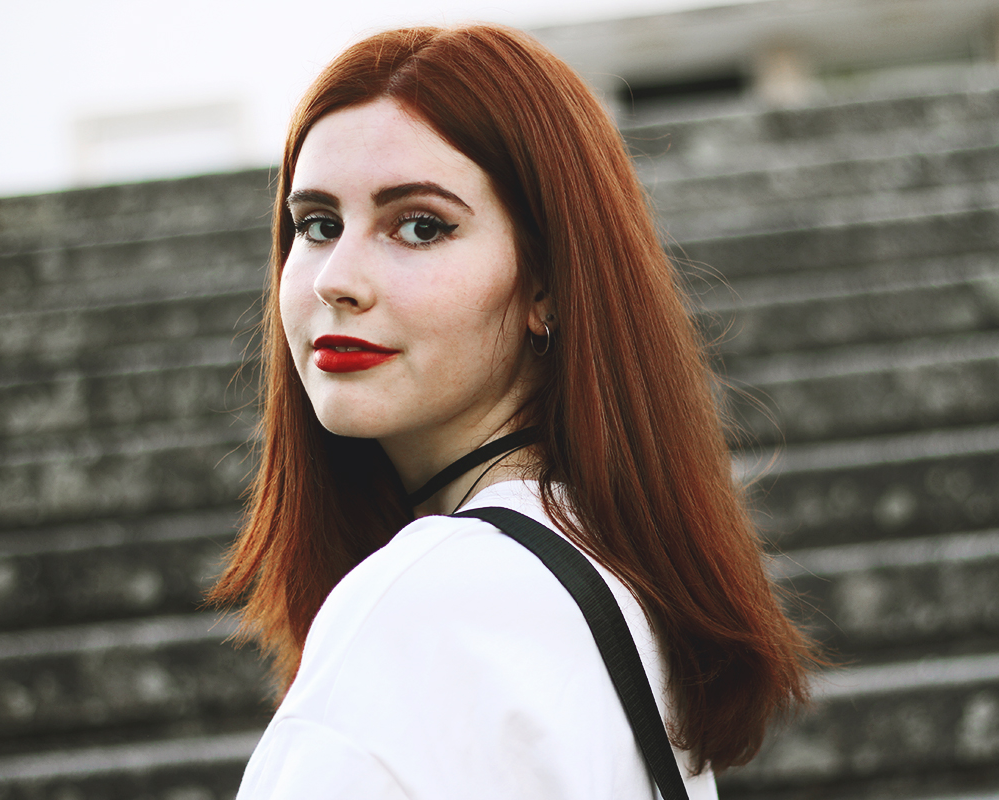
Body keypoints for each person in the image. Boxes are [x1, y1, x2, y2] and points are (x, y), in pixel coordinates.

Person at [208, 22, 816, 799]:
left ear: (547, 285)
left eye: (420, 226)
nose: (336, 280)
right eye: (317, 224)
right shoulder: (606, 572)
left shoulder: (425, 604)